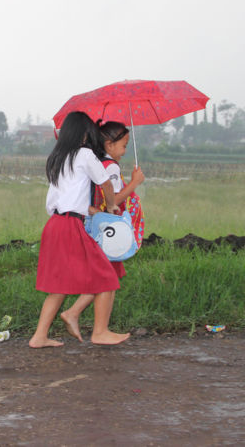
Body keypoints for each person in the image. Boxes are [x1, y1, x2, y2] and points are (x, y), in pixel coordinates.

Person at [29, 112, 131, 348]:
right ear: (84, 133)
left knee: (59, 284)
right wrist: (112, 205)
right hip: (71, 226)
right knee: (107, 276)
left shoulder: (58, 158)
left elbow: (61, 198)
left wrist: (89, 210)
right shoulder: (84, 154)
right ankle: (100, 332)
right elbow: (105, 182)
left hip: (55, 224)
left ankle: (39, 337)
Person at [60, 121, 145, 342]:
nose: (125, 152)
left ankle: (76, 314)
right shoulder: (111, 167)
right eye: (123, 146)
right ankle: (98, 330)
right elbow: (114, 199)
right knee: (108, 277)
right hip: (110, 228)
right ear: (109, 144)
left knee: (106, 276)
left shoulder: (97, 162)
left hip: (96, 226)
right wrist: (135, 183)